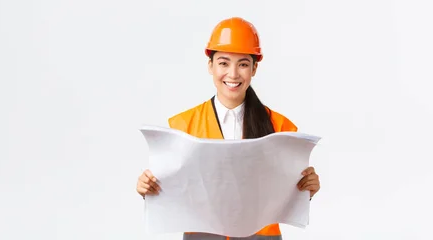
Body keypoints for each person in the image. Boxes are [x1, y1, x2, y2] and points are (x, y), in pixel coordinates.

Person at [136, 17, 321, 239]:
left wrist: (307, 189)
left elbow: (286, 195)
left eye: (243, 64)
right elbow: (175, 192)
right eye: (224, 63)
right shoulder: (182, 126)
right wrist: (148, 189)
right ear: (210, 66)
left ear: (254, 68)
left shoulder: (281, 127)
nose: (233, 74)